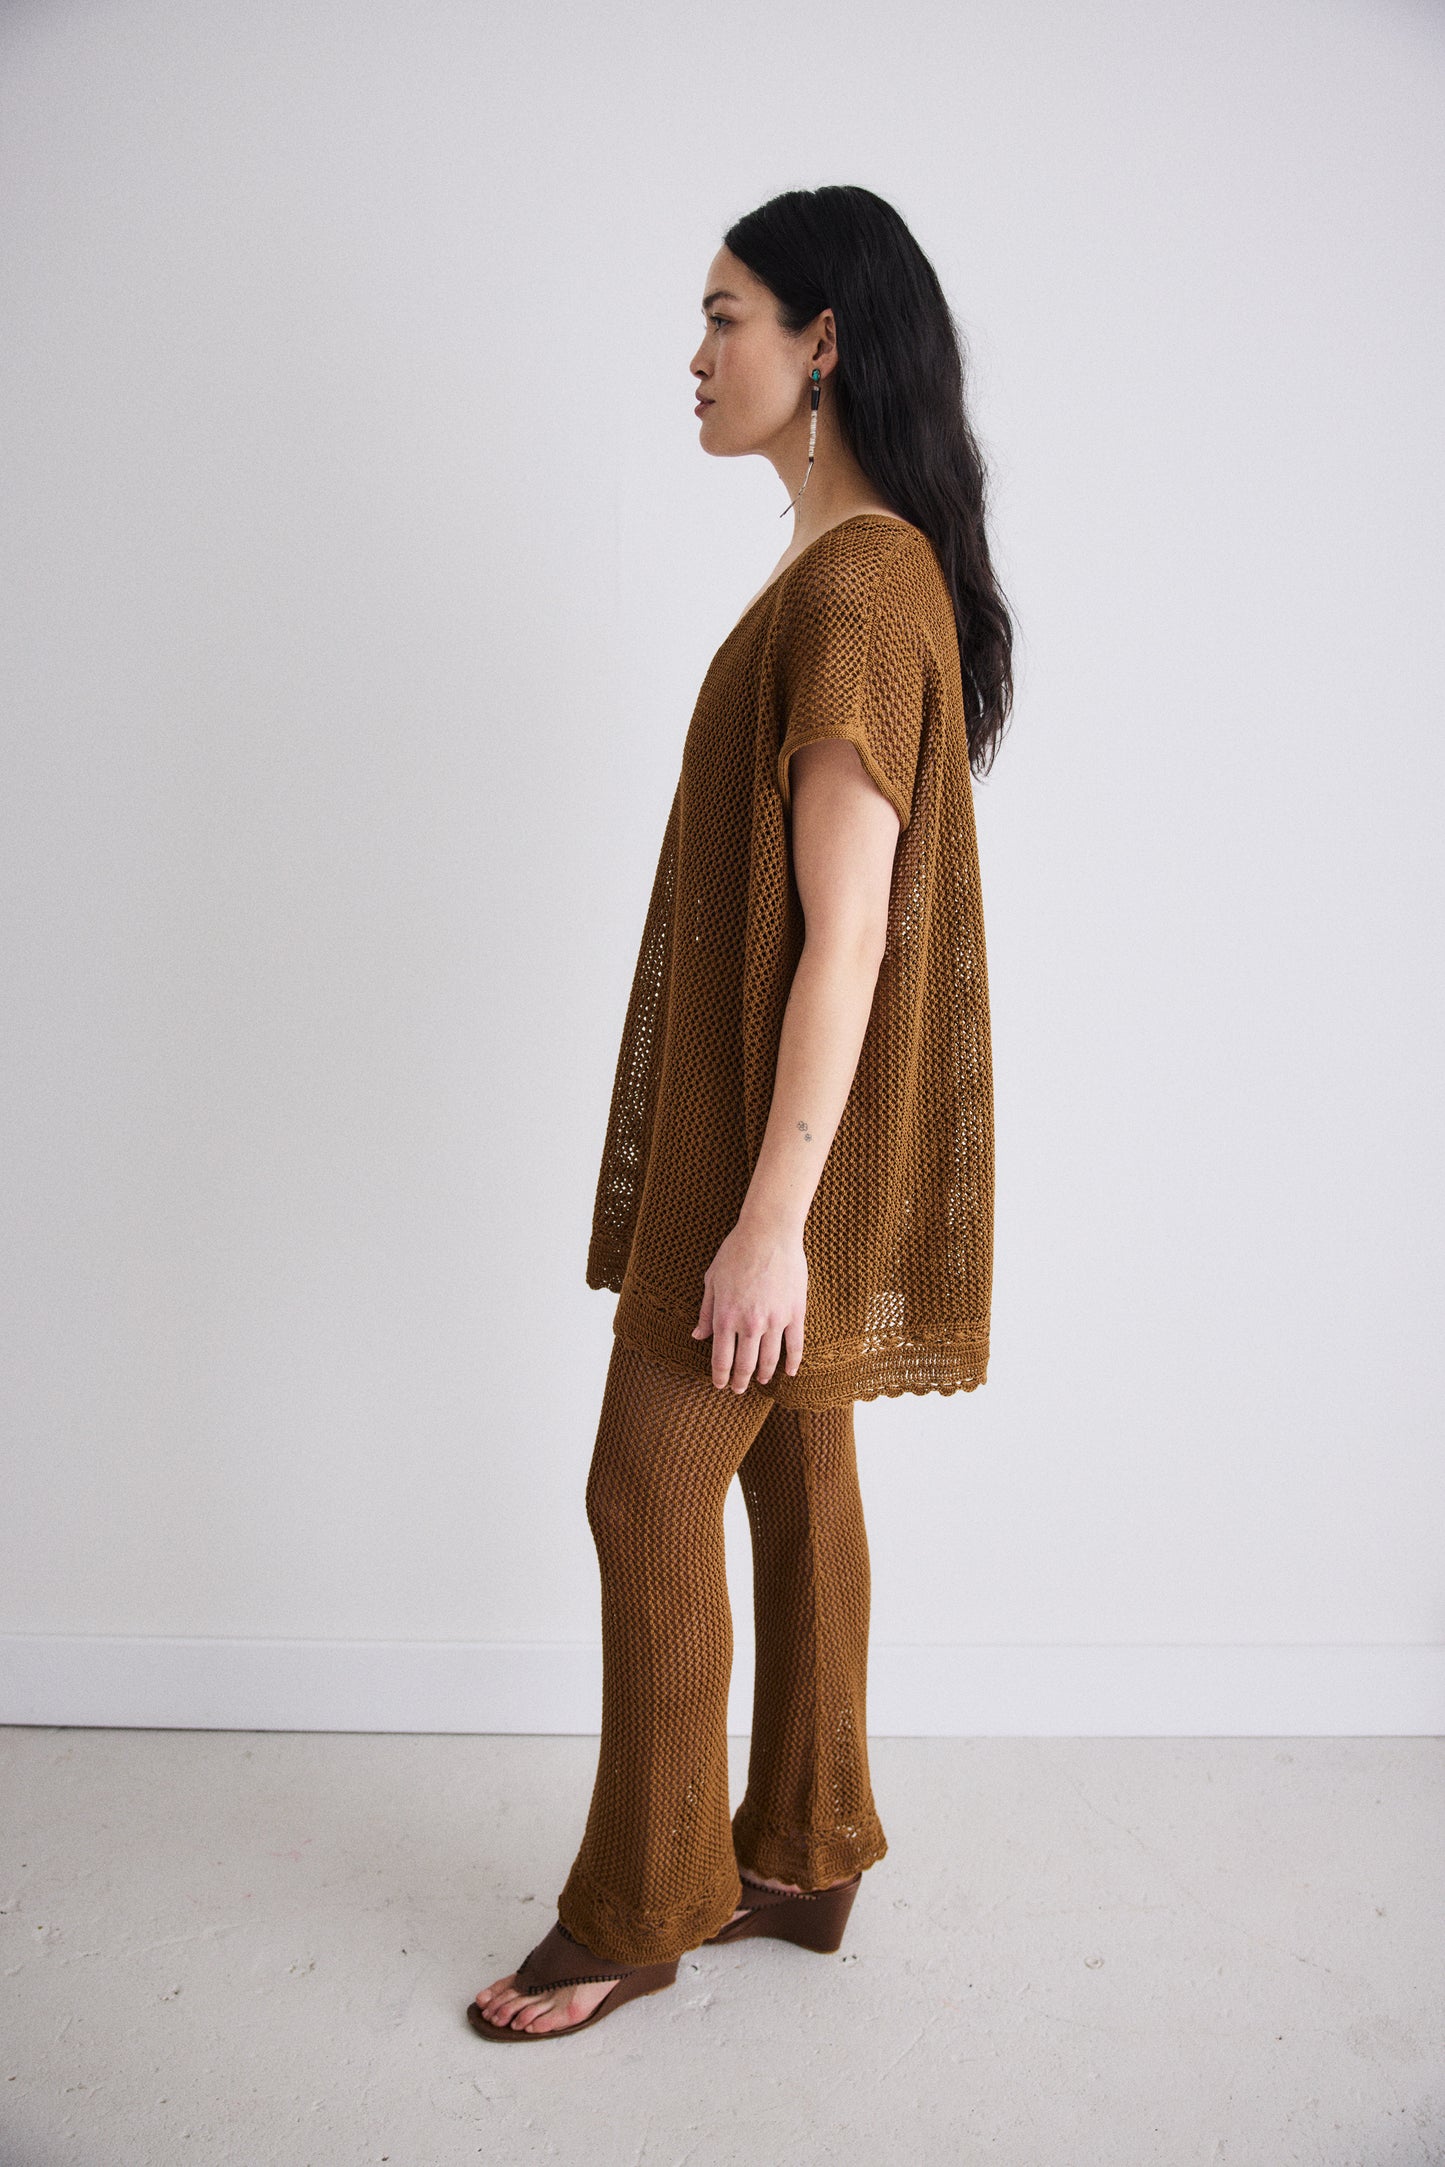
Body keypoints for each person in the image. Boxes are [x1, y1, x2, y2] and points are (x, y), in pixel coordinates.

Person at [470, 183, 1014, 2042]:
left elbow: (846, 936)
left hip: (777, 1159)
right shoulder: (853, 567)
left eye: (725, 317)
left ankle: (641, 1906)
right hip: (801, 1146)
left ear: (822, 343)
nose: (696, 356)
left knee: (645, 1483)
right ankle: (803, 1845)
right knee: (793, 1468)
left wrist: (767, 1220)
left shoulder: (857, 587)